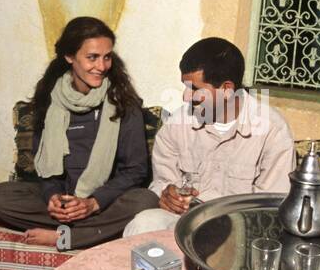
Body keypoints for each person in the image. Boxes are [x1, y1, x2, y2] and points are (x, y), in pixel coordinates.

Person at [0, 16, 157, 248]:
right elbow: (46, 170)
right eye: (92, 58)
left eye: (106, 57)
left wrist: (93, 203)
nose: (101, 66)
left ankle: (68, 237)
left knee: (145, 201)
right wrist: (53, 198)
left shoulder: (123, 103)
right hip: (66, 201)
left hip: (105, 203)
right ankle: (90, 231)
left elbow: (135, 171)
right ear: (69, 57)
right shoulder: (49, 102)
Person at [124, 37, 295, 236]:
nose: (186, 97)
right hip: (182, 223)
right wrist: (167, 194)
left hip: (240, 231)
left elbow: (271, 206)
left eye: (194, 89)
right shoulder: (177, 124)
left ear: (226, 89)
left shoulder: (272, 130)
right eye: (185, 87)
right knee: (144, 223)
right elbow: (163, 182)